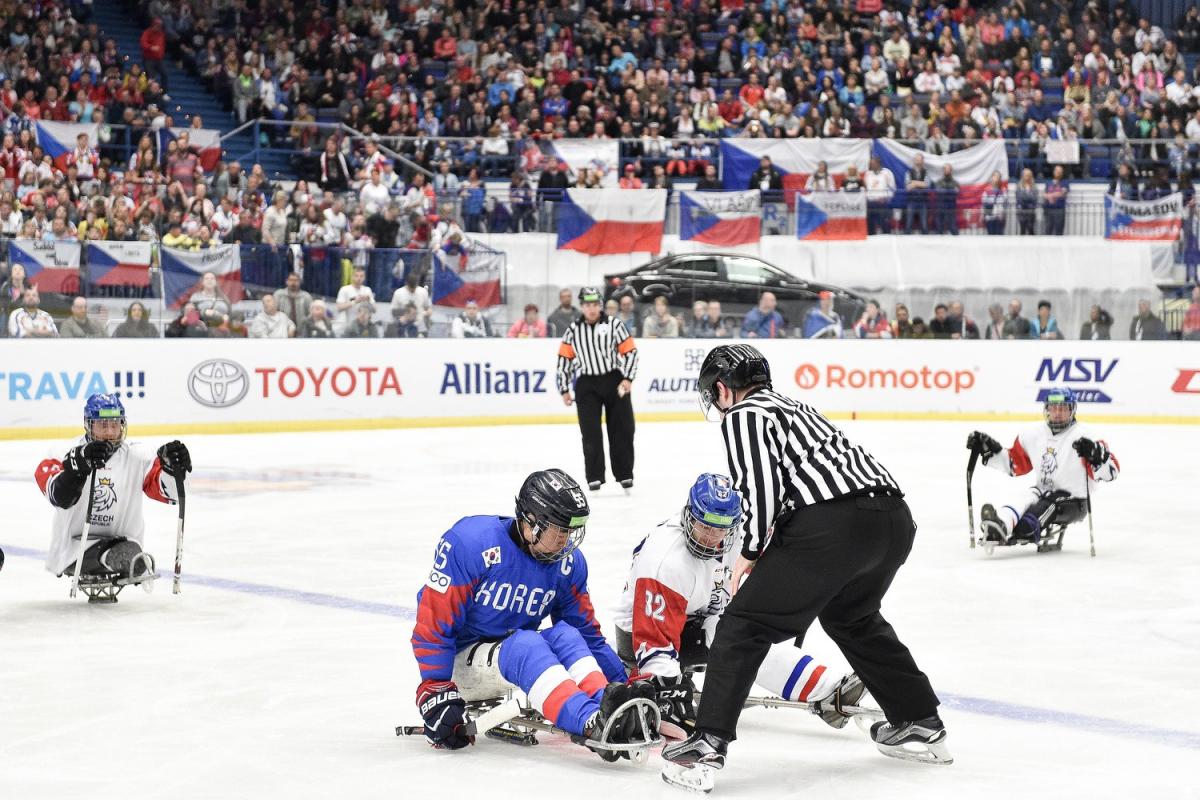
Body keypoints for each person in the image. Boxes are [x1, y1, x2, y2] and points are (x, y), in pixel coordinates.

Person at [662, 346, 949, 792]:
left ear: (722, 388)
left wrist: (751, 554)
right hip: (892, 520)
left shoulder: (745, 414)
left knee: (741, 625)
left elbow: (759, 490)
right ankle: (918, 718)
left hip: (834, 525)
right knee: (851, 617)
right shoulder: (795, 408)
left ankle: (707, 742)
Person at [410, 469, 653, 757]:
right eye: (559, 529)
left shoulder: (568, 564)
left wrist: (624, 684)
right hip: (459, 663)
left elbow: (588, 636)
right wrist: (435, 689)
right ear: (530, 522)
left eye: (571, 530)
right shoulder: (471, 543)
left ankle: (612, 709)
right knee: (527, 644)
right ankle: (589, 721)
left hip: (512, 651)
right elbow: (434, 622)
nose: (566, 541)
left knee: (566, 634)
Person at [613, 474, 865, 740]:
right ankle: (824, 689)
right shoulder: (666, 560)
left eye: (720, 528)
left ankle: (828, 688)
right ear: (689, 514)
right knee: (739, 644)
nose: (711, 537)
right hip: (641, 637)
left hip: (696, 618)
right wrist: (667, 687)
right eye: (704, 526)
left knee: (748, 635)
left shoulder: (739, 537)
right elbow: (653, 638)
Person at [33, 393, 190, 596]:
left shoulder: (136, 456)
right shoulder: (64, 452)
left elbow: (168, 492)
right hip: (75, 548)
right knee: (127, 557)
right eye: (103, 425)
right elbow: (58, 497)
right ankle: (108, 555)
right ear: (88, 425)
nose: (110, 432)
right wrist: (76, 469)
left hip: (124, 542)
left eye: (115, 424)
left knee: (127, 554)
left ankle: (114, 554)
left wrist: (172, 469)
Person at [968, 389, 1119, 546]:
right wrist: (990, 450)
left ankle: (1026, 528)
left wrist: (1097, 456)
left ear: (1072, 410)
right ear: (1046, 409)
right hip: (1042, 491)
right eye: (1053, 408)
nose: (1057, 412)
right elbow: (1015, 464)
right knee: (1025, 497)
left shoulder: (1086, 436)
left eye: (1063, 408)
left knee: (1049, 505)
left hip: (1075, 500)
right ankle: (1000, 525)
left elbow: (1112, 472)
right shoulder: (1033, 434)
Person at [556, 287, 638, 492]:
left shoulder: (615, 325)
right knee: (590, 432)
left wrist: (627, 378)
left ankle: (625, 475)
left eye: (595, 305)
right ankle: (594, 477)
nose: (591, 309)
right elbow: (564, 360)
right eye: (587, 305)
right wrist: (564, 388)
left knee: (622, 429)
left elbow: (630, 352)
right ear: (582, 306)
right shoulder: (573, 330)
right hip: (587, 384)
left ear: (600, 305)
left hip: (614, 381)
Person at [390, 272, 434, 336]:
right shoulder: (398, 293)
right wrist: (407, 313)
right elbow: (393, 311)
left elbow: (429, 308)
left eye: (414, 287)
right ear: (406, 283)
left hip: (420, 326)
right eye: (411, 288)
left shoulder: (423, 292)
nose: (413, 290)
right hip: (403, 326)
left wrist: (427, 312)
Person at [335, 267, 375, 335]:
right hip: (347, 324)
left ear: (364, 278)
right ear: (352, 277)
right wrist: (354, 302)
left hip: (363, 326)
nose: (359, 278)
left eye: (361, 276)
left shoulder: (367, 290)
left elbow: (374, 310)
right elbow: (339, 307)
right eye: (356, 276)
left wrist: (369, 301)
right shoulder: (345, 289)